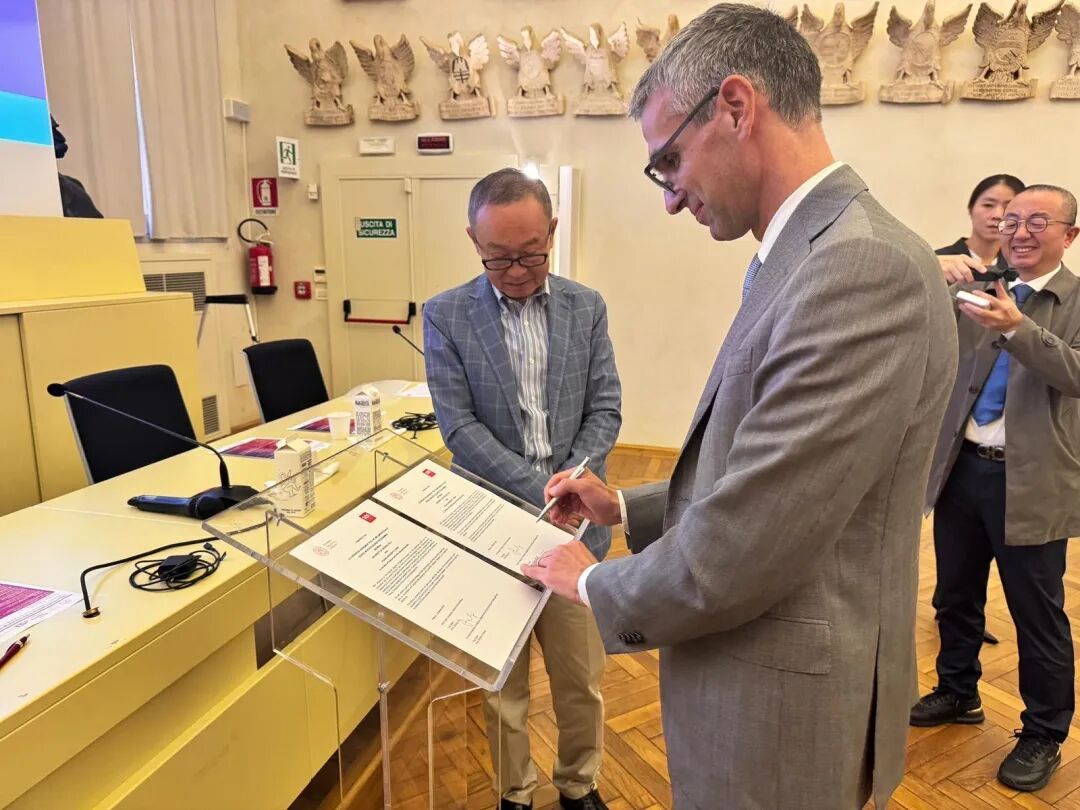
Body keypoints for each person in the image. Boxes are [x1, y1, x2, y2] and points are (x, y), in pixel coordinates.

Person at [520, 5, 958, 808]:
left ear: (734, 107)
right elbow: (764, 467)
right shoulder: (805, 253)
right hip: (759, 686)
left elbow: (749, 541)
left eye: (669, 160)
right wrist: (624, 506)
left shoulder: (858, 267)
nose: (669, 198)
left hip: (782, 713)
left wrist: (595, 583)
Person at [423, 168, 621, 810]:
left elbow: (605, 407)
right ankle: (515, 792)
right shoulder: (446, 315)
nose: (515, 271)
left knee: (580, 677)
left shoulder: (586, 307)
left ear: (552, 232)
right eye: (498, 257)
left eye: (531, 254)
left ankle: (579, 784)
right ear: (473, 241)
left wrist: (575, 481)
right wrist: (544, 490)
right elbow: (459, 427)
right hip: (489, 524)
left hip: (575, 528)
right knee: (502, 683)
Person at [911, 185, 1080, 793]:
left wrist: (1019, 328)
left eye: (1038, 221)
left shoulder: (1075, 300)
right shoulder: (980, 289)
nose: (1021, 232)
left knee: (1038, 613)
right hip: (961, 469)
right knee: (954, 596)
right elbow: (915, 324)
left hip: (1032, 479)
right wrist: (933, 272)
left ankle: (1043, 732)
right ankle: (958, 691)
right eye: (1012, 221)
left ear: (1070, 235)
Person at [933, 173, 1025, 647]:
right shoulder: (940, 260)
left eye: (1009, 207)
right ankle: (950, 607)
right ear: (972, 208)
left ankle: (963, 610)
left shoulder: (1020, 272)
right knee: (950, 534)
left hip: (997, 425)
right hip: (947, 411)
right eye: (989, 204)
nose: (997, 215)